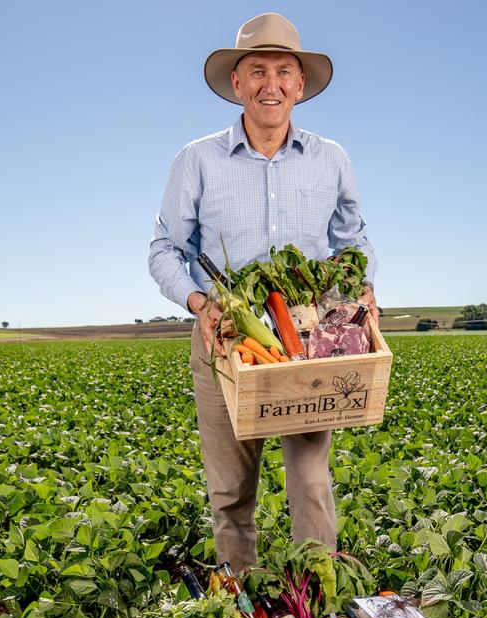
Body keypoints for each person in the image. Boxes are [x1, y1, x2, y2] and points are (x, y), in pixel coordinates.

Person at [148, 12, 377, 572]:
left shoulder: (331, 159)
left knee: (311, 481)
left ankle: (317, 602)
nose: (269, 84)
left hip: (307, 345)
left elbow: (354, 241)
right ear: (237, 83)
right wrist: (202, 304)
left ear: (300, 84)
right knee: (230, 492)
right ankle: (242, 606)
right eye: (256, 70)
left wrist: (363, 286)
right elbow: (164, 251)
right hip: (228, 342)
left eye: (282, 71)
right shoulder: (196, 160)